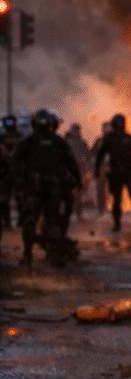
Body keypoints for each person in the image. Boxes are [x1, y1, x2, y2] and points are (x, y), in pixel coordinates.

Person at [14, 109, 82, 267]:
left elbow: (16, 161)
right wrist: (77, 180)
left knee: (30, 220)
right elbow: (72, 163)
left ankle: (27, 255)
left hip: (34, 187)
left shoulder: (28, 141)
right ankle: (54, 255)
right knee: (52, 220)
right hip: (54, 188)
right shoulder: (58, 141)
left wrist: (19, 180)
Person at [93, 114, 131, 234]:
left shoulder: (117, 138)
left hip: (122, 173)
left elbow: (100, 155)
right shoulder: (126, 138)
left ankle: (120, 225)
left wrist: (97, 169)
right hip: (122, 173)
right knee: (128, 199)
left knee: (121, 200)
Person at [63, 122, 91, 228]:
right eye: (74, 130)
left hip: (79, 171)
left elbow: (88, 156)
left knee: (78, 194)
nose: (76, 132)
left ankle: (78, 215)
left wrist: (88, 170)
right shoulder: (66, 142)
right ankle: (68, 215)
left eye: (77, 130)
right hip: (68, 171)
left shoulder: (81, 142)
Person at [0, 114, 23, 232]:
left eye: (11, 122)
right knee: (4, 199)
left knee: (20, 198)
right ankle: (7, 223)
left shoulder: (21, 136)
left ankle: (20, 223)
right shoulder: (2, 137)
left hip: (18, 171)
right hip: (6, 172)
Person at [90, 121, 112, 214]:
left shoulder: (115, 140)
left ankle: (114, 208)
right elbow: (91, 153)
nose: (106, 130)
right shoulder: (99, 141)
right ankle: (101, 209)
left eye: (108, 127)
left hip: (113, 168)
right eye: (104, 128)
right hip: (101, 169)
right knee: (100, 189)